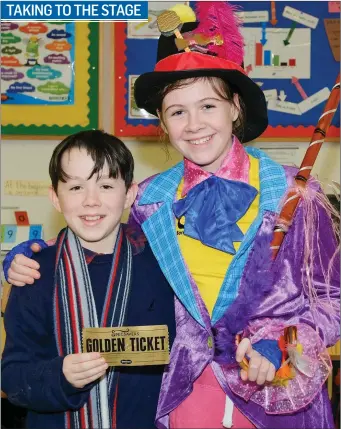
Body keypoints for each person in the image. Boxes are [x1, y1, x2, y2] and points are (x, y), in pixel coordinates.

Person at [3, 2, 340, 428]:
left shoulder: (295, 195)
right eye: (177, 111)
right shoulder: (147, 199)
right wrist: (28, 255)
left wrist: (286, 342)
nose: (194, 124)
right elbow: (102, 247)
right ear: (162, 121)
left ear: (236, 107)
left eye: (208, 106)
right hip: (183, 396)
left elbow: (332, 299)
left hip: (276, 396)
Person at [1, 130, 176, 429]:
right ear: (55, 197)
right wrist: (61, 376)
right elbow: (13, 376)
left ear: (129, 195)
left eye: (106, 185)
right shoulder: (35, 274)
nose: (91, 201)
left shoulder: (164, 266)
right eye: (76, 187)